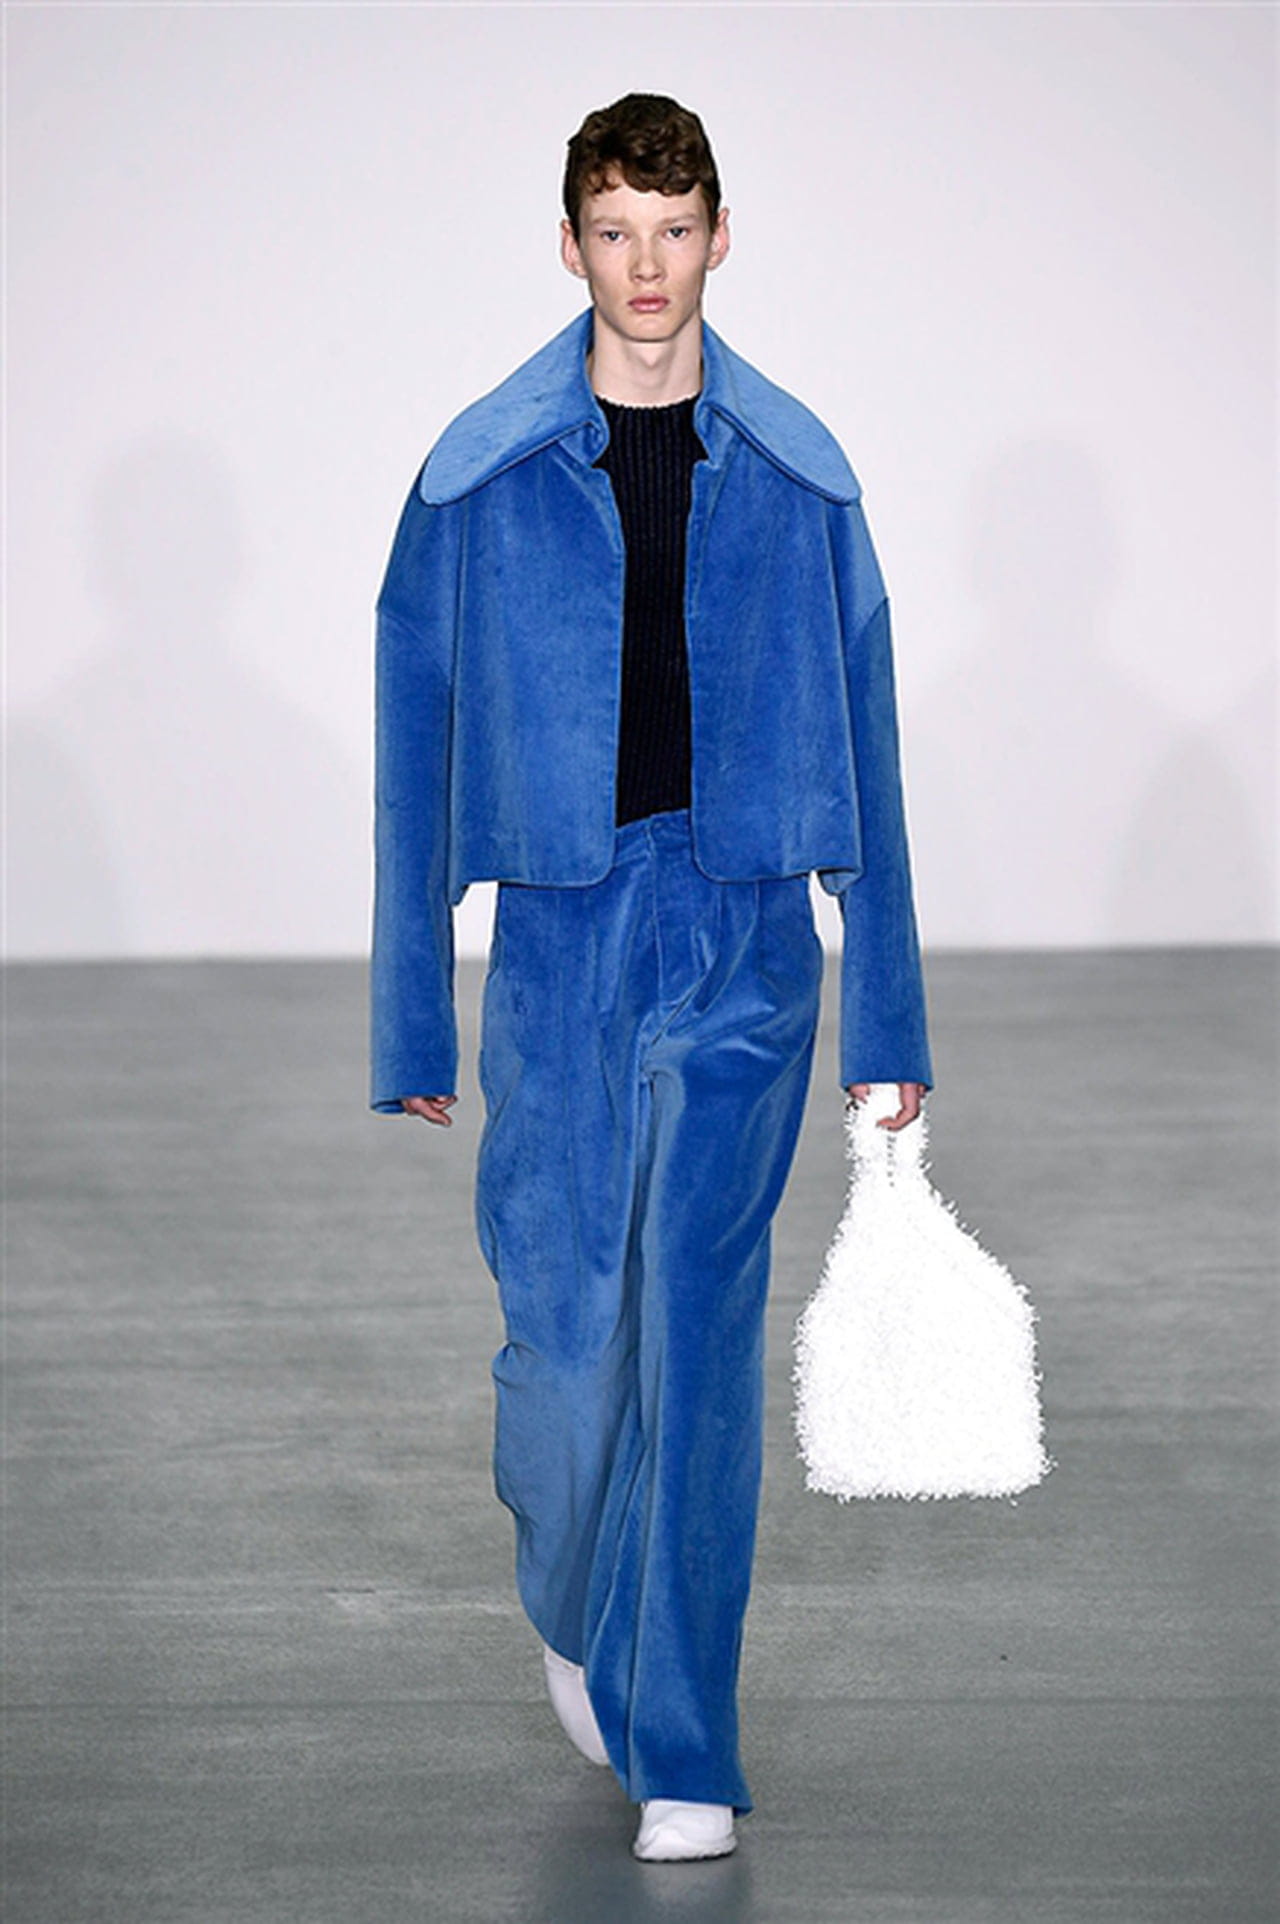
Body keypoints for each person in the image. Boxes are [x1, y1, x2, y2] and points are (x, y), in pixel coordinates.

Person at [370, 91, 933, 1863]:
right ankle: (574, 1601)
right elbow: (414, 739)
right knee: (564, 1349)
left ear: (718, 239)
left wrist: (888, 1014)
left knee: (697, 1340)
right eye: (613, 231)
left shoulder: (802, 472)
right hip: (563, 939)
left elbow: (872, 738)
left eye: (672, 230)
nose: (644, 265)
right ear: (570, 245)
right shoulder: (477, 474)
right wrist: (410, 1009)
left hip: (747, 932)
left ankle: (683, 1734)